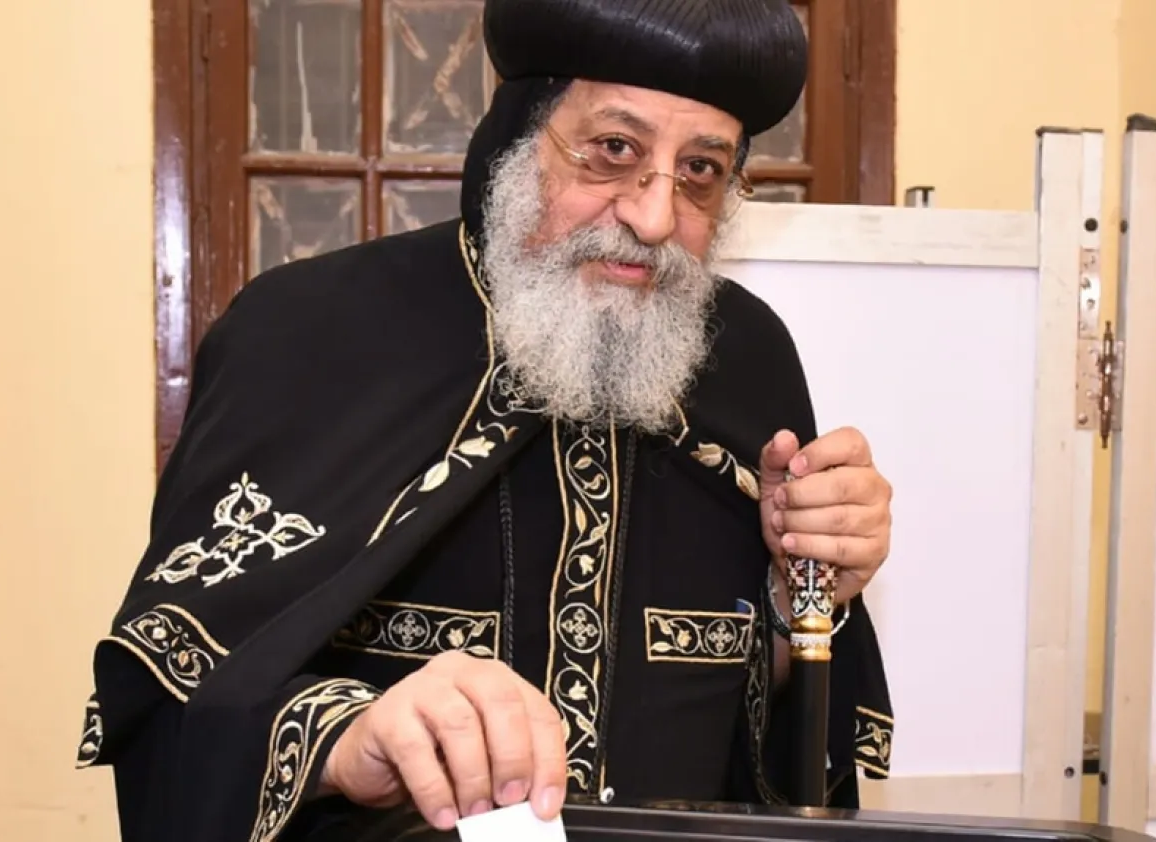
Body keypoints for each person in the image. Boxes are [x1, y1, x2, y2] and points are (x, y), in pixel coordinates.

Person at [75, 0, 896, 840]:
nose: (653, 218)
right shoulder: (305, 334)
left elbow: (780, 753)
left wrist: (804, 598)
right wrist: (345, 738)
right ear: (515, 136)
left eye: (700, 171)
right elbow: (169, 690)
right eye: (614, 151)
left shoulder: (747, 354)